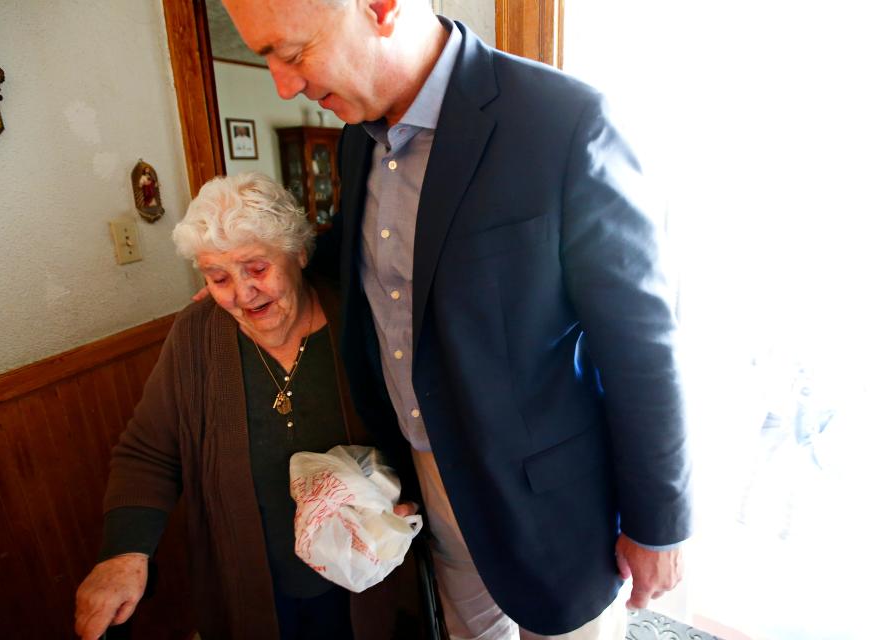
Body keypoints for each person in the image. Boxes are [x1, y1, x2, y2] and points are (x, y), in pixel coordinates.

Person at [223, 1, 692, 638]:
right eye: (266, 59)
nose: (284, 84)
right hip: (426, 473)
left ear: (381, 8)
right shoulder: (357, 144)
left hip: (548, 497)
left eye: (293, 51)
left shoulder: (564, 121)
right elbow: (370, 253)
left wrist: (658, 522)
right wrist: (255, 269)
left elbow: (641, 342)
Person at [74, 173, 420, 640]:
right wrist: (125, 552)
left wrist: (408, 499)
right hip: (252, 588)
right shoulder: (197, 336)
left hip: (365, 574)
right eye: (218, 277)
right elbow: (148, 452)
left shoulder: (358, 321)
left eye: (256, 268)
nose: (240, 293)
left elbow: (412, 431)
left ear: (298, 251)